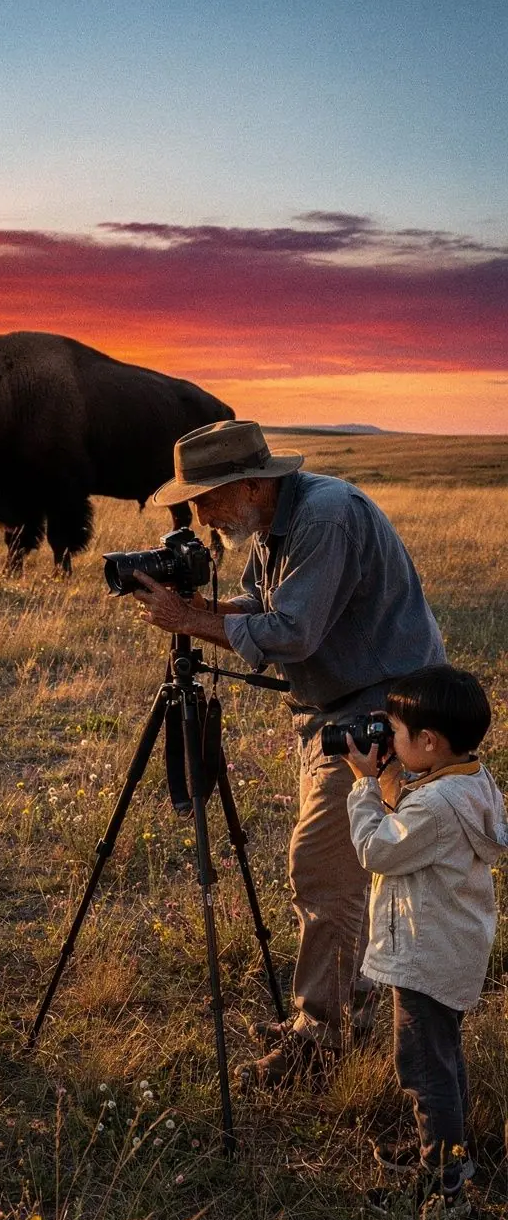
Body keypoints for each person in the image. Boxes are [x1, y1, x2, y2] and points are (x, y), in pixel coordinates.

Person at [133, 419, 446, 1085]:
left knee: (321, 868)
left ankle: (317, 1040)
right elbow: (259, 602)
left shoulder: (325, 519)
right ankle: (349, 1001)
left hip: (379, 711)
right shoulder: (276, 522)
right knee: (349, 866)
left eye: (204, 499)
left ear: (246, 485)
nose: (199, 515)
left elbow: (293, 632)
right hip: (337, 709)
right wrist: (204, 606)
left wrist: (192, 621)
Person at [344, 665, 507, 1220]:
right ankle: (446, 1155)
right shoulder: (468, 783)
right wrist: (394, 775)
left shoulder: (435, 808)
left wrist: (365, 783)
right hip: (450, 951)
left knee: (422, 1067)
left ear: (429, 743)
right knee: (443, 1057)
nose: (384, 740)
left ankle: (443, 1187)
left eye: (394, 732)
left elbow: (376, 849)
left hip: (424, 954)